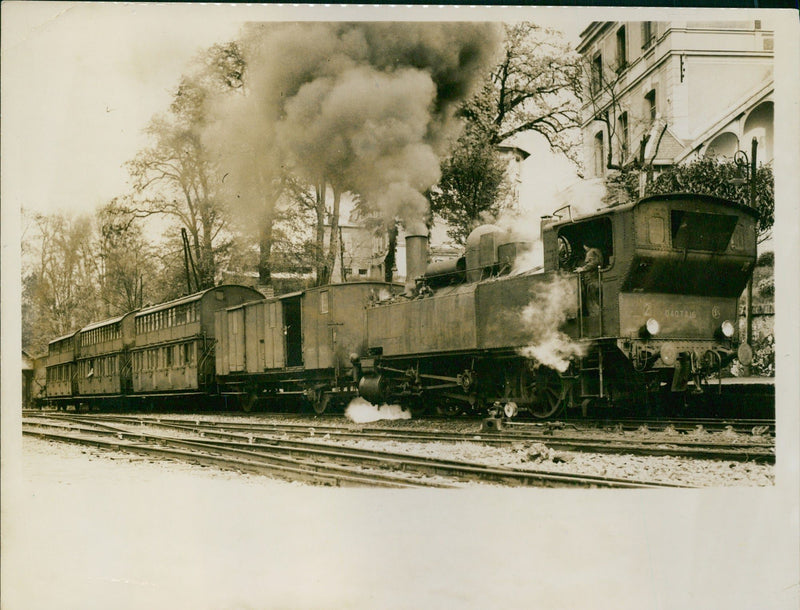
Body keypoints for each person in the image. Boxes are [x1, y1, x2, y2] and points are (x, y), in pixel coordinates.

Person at [575, 244, 603, 315]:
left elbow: (595, 262)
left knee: (593, 305)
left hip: (593, 283)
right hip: (593, 282)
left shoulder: (592, 251)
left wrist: (582, 269)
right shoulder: (595, 251)